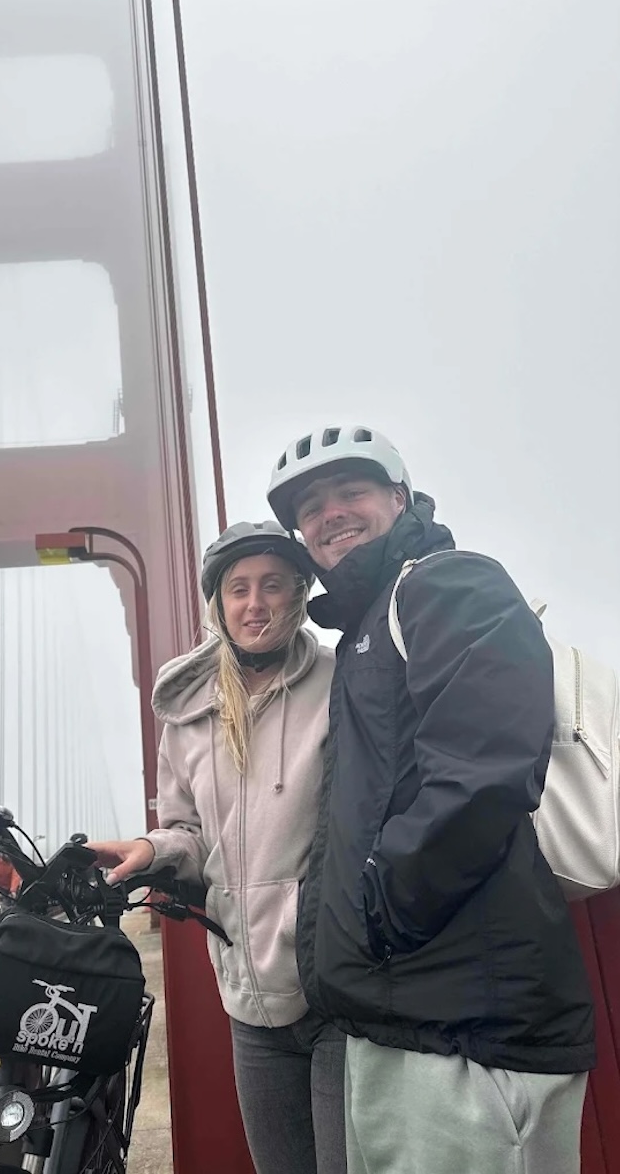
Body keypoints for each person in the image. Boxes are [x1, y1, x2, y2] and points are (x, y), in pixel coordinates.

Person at [265, 424, 595, 1174]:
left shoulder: (446, 583)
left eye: (351, 491)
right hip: (407, 1013)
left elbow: (484, 769)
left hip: (469, 1030)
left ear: (401, 497)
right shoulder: (360, 635)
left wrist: (382, 913)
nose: (331, 514)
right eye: (312, 507)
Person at [88, 521, 346, 1174]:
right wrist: (151, 849)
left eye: (272, 586)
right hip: (248, 997)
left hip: (337, 990)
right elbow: (187, 829)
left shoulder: (342, 683)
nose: (254, 602)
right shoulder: (186, 710)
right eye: (238, 588)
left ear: (299, 594)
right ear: (218, 604)